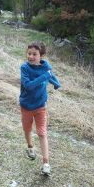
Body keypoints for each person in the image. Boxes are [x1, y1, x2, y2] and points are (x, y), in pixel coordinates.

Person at [19, 41, 61, 176]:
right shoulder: (25, 68)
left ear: (41, 56)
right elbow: (28, 85)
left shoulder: (45, 66)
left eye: (34, 54)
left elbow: (50, 75)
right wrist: (45, 76)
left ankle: (46, 163)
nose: (31, 56)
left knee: (42, 133)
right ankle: (30, 147)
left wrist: (56, 84)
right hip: (26, 105)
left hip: (41, 106)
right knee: (27, 129)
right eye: (29, 53)